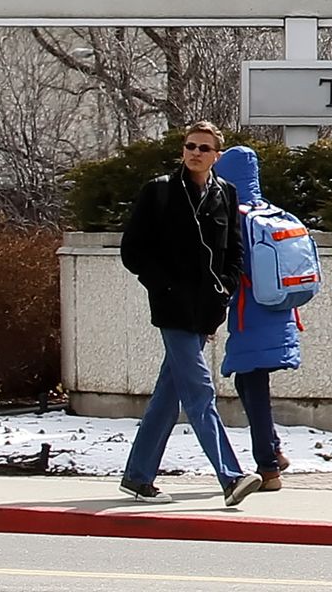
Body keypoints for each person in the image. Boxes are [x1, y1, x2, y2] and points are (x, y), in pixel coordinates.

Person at [117, 121, 264, 507]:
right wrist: (163, 285)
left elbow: (233, 253)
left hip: (205, 310)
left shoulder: (225, 194)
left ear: (217, 155)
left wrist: (223, 293)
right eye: (190, 146)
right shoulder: (160, 191)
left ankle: (137, 476)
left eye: (204, 148)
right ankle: (231, 477)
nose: (195, 153)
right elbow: (133, 251)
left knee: (169, 394)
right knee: (199, 391)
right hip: (171, 308)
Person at [214, 144, 301, 491]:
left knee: (254, 386)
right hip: (279, 312)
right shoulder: (271, 213)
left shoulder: (234, 218)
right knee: (248, 382)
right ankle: (275, 453)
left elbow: (228, 269)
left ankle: (268, 467)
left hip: (250, 316)